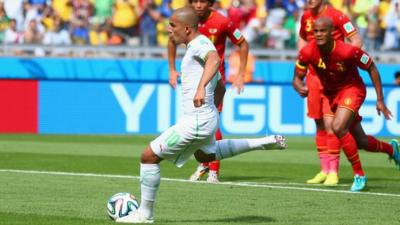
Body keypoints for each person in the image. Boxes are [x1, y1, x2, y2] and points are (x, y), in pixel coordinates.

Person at [116, 7, 287, 223]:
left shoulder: (200, 45)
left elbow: (215, 60)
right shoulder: (196, 45)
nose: (169, 30)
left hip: (196, 121)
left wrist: (200, 89)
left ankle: (144, 215)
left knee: (148, 157)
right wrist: (211, 110)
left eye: (173, 26)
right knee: (204, 156)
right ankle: (263, 142)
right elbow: (222, 87)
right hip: (204, 117)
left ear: (186, 28)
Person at [293, 17, 400, 192]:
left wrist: (380, 99)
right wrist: (299, 86)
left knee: (337, 126)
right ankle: (392, 150)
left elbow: (372, 67)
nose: (318, 34)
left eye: (323, 31)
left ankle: (359, 175)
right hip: (332, 95)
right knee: (361, 141)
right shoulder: (307, 52)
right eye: (316, 31)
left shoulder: (347, 51)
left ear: (332, 33)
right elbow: (296, 77)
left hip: (352, 90)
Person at [168, 0, 249, 183]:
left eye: (202, 1)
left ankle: (213, 171)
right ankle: (204, 164)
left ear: (210, 3)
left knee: (212, 123)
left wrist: (241, 74)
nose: (198, 5)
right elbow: (171, 41)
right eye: (194, 1)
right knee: (197, 124)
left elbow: (243, 44)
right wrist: (171, 69)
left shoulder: (222, 22)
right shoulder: (184, 19)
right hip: (192, 79)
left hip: (214, 80)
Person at [297, 0, 363, 186]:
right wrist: (302, 58)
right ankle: (324, 169)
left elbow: (355, 39)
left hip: (333, 76)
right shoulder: (305, 17)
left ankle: (334, 171)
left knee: (330, 123)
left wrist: (348, 63)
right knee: (318, 122)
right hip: (313, 75)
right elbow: (302, 39)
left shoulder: (337, 15)